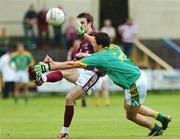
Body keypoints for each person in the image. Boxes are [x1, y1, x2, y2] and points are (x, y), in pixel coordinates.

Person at [33, 32, 171, 137]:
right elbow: (96, 44)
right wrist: (84, 34)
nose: (92, 45)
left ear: (100, 45)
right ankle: (162, 117)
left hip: (133, 83)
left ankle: (155, 129)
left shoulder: (99, 56)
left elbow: (71, 64)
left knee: (130, 115)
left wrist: (52, 66)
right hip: (140, 76)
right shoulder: (113, 47)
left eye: (94, 44)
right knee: (132, 106)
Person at [28, 12, 102, 137]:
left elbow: (100, 55)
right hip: (81, 71)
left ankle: (64, 131)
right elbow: (73, 64)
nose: (80, 25)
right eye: (79, 23)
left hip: (93, 75)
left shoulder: (97, 37)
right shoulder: (82, 41)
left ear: (90, 23)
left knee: (69, 98)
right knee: (64, 71)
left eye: (83, 23)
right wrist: (53, 63)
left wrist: (83, 34)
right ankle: (41, 79)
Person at [67, 39, 87, 107]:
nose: (77, 45)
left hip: (82, 69)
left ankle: (82, 100)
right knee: (76, 85)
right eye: (76, 43)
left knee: (81, 85)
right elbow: (69, 59)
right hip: (75, 68)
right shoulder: (71, 50)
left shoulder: (83, 50)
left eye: (78, 43)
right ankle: (73, 101)